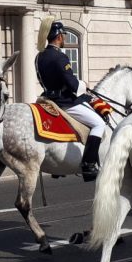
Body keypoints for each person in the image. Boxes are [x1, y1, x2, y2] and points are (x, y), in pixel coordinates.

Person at [35, 16, 106, 182]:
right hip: (65, 102)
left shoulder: (39, 57)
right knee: (99, 124)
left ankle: (58, 167)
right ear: (59, 37)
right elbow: (73, 85)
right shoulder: (60, 57)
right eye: (64, 35)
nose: (65, 38)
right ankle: (88, 164)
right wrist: (84, 84)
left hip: (47, 98)